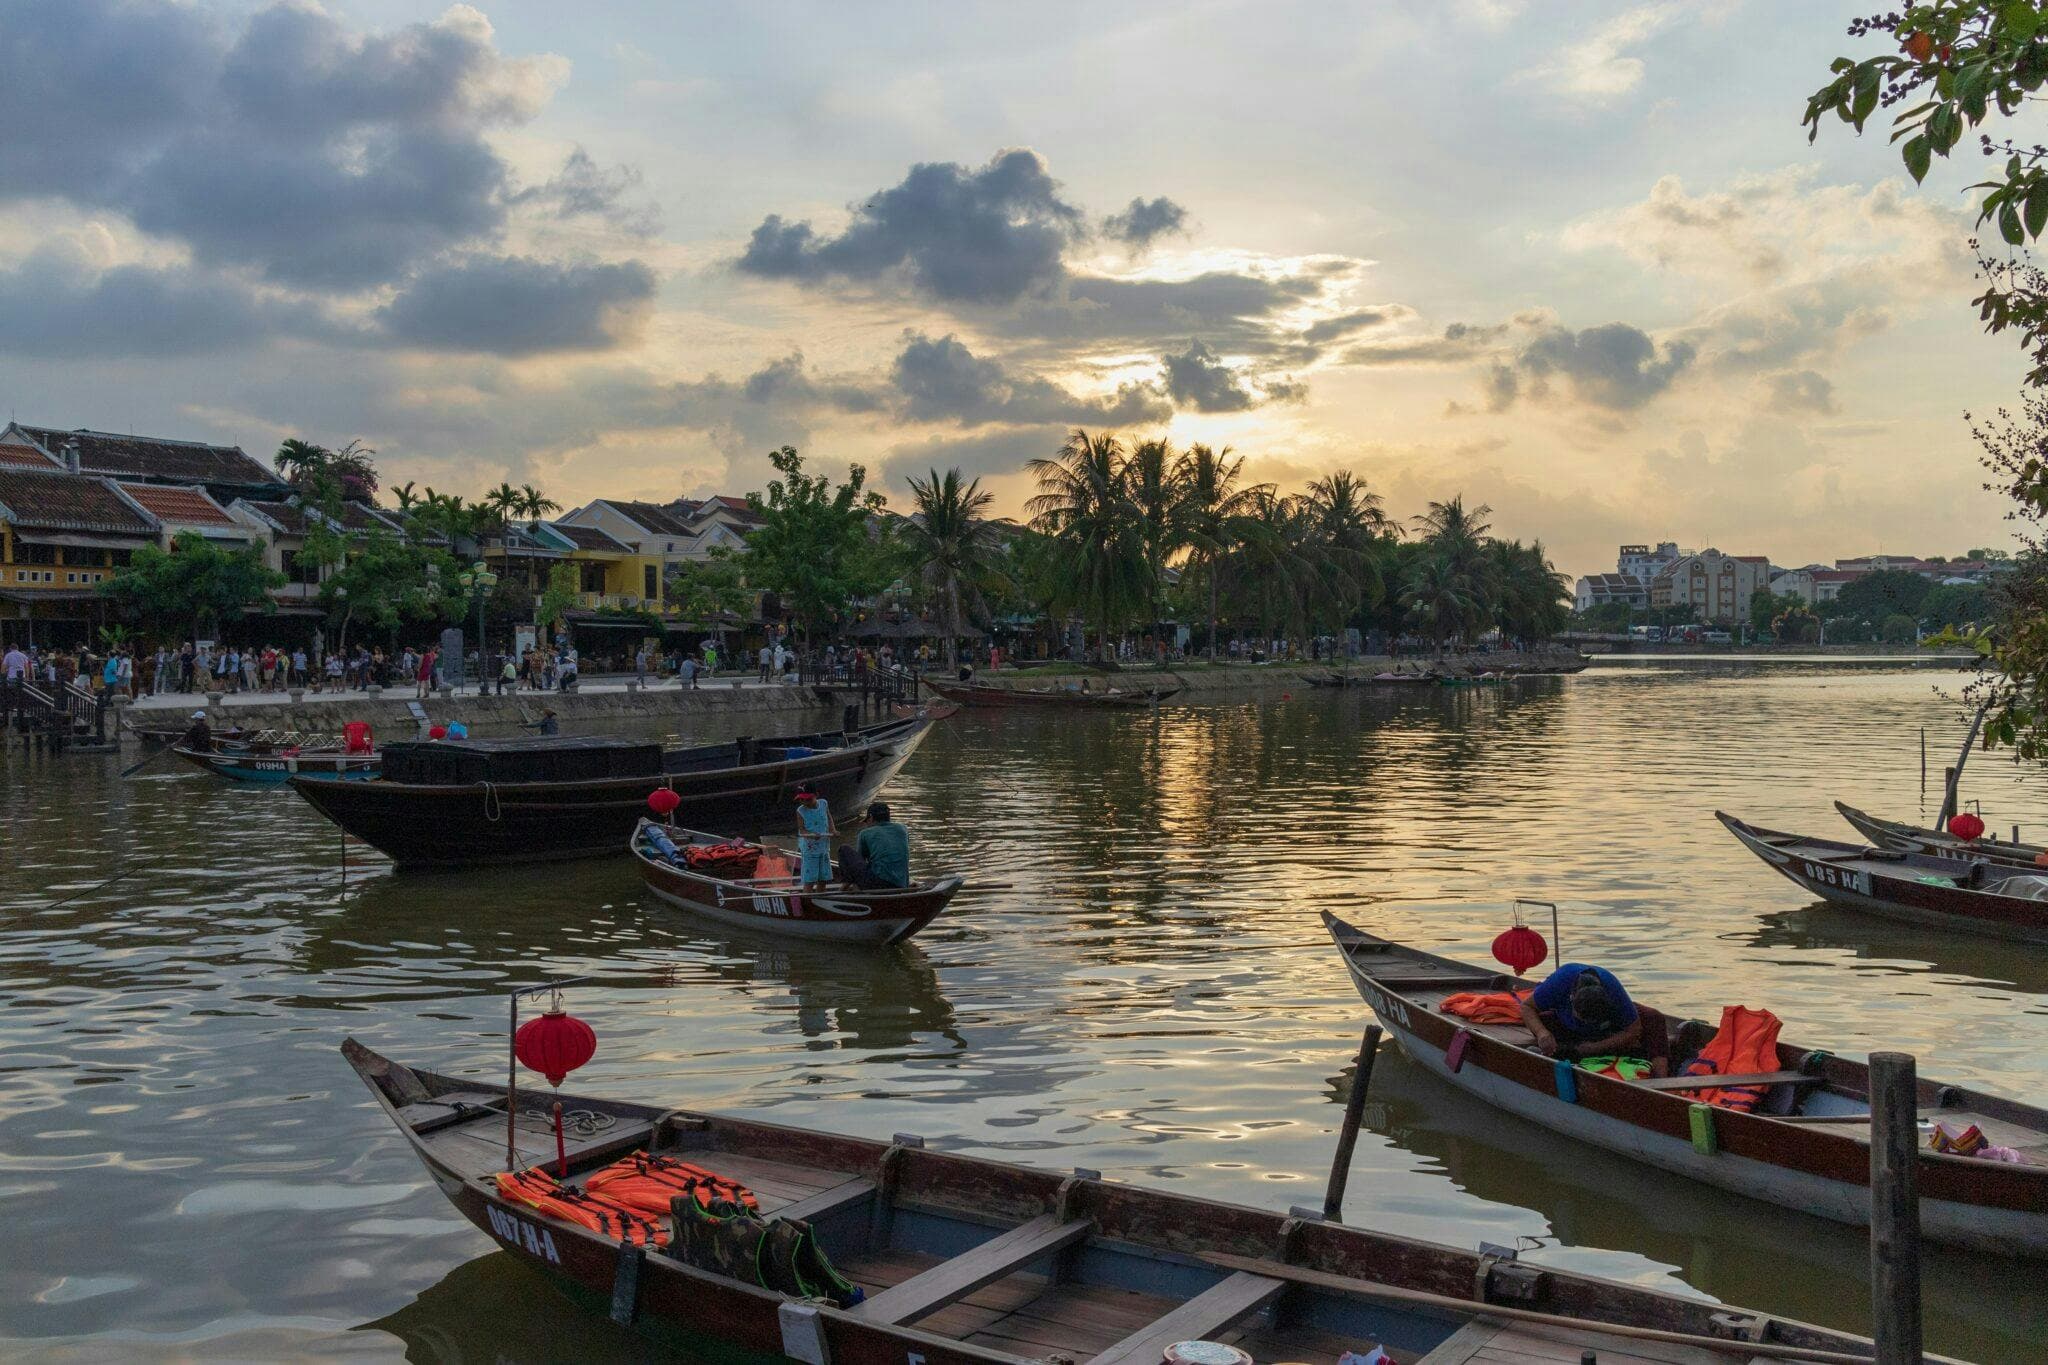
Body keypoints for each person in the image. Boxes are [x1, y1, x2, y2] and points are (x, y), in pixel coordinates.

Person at [1517, 963, 1668, 1077]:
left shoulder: (1613, 991)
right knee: (1543, 1022)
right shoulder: (1559, 983)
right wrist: (1542, 1033)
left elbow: (1634, 1029)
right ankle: (1557, 1061)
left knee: (1654, 1018)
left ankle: (1662, 1080)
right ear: (1571, 998)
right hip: (1567, 1028)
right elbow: (1527, 1007)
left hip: (1603, 1032)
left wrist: (1595, 1047)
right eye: (1583, 1018)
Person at [838, 801, 910, 889]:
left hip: (877, 884)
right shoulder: (903, 829)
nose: (867, 825)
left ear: (871, 817)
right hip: (901, 884)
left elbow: (860, 860)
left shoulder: (865, 833)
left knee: (844, 849)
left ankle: (845, 886)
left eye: (867, 821)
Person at [793, 787, 834, 888]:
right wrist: (811, 835)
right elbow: (801, 830)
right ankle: (807, 897)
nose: (805, 802)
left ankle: (821, 896)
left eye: (808, 799)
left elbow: (828, 817)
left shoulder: (824, 803)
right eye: (801, 800)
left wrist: (833, 830)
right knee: (809, 879)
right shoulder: (800, 811)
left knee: (823, 878)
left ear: (816, 795)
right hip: (809, 849)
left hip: (824, 847)